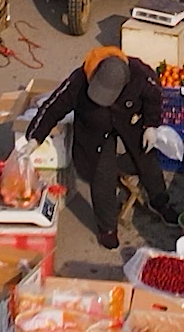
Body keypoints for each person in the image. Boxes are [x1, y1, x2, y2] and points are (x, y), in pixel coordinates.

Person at [28, 47, 176, 249]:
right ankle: (107, 227)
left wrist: (151, 125)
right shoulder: (78, 81)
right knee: (102, 175)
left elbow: (154, 98)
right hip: (95, 131)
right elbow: (53, 108)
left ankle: (160, 202)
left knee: (146, 159)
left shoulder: (140, 75)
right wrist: (34, 138)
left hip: (130, 121)